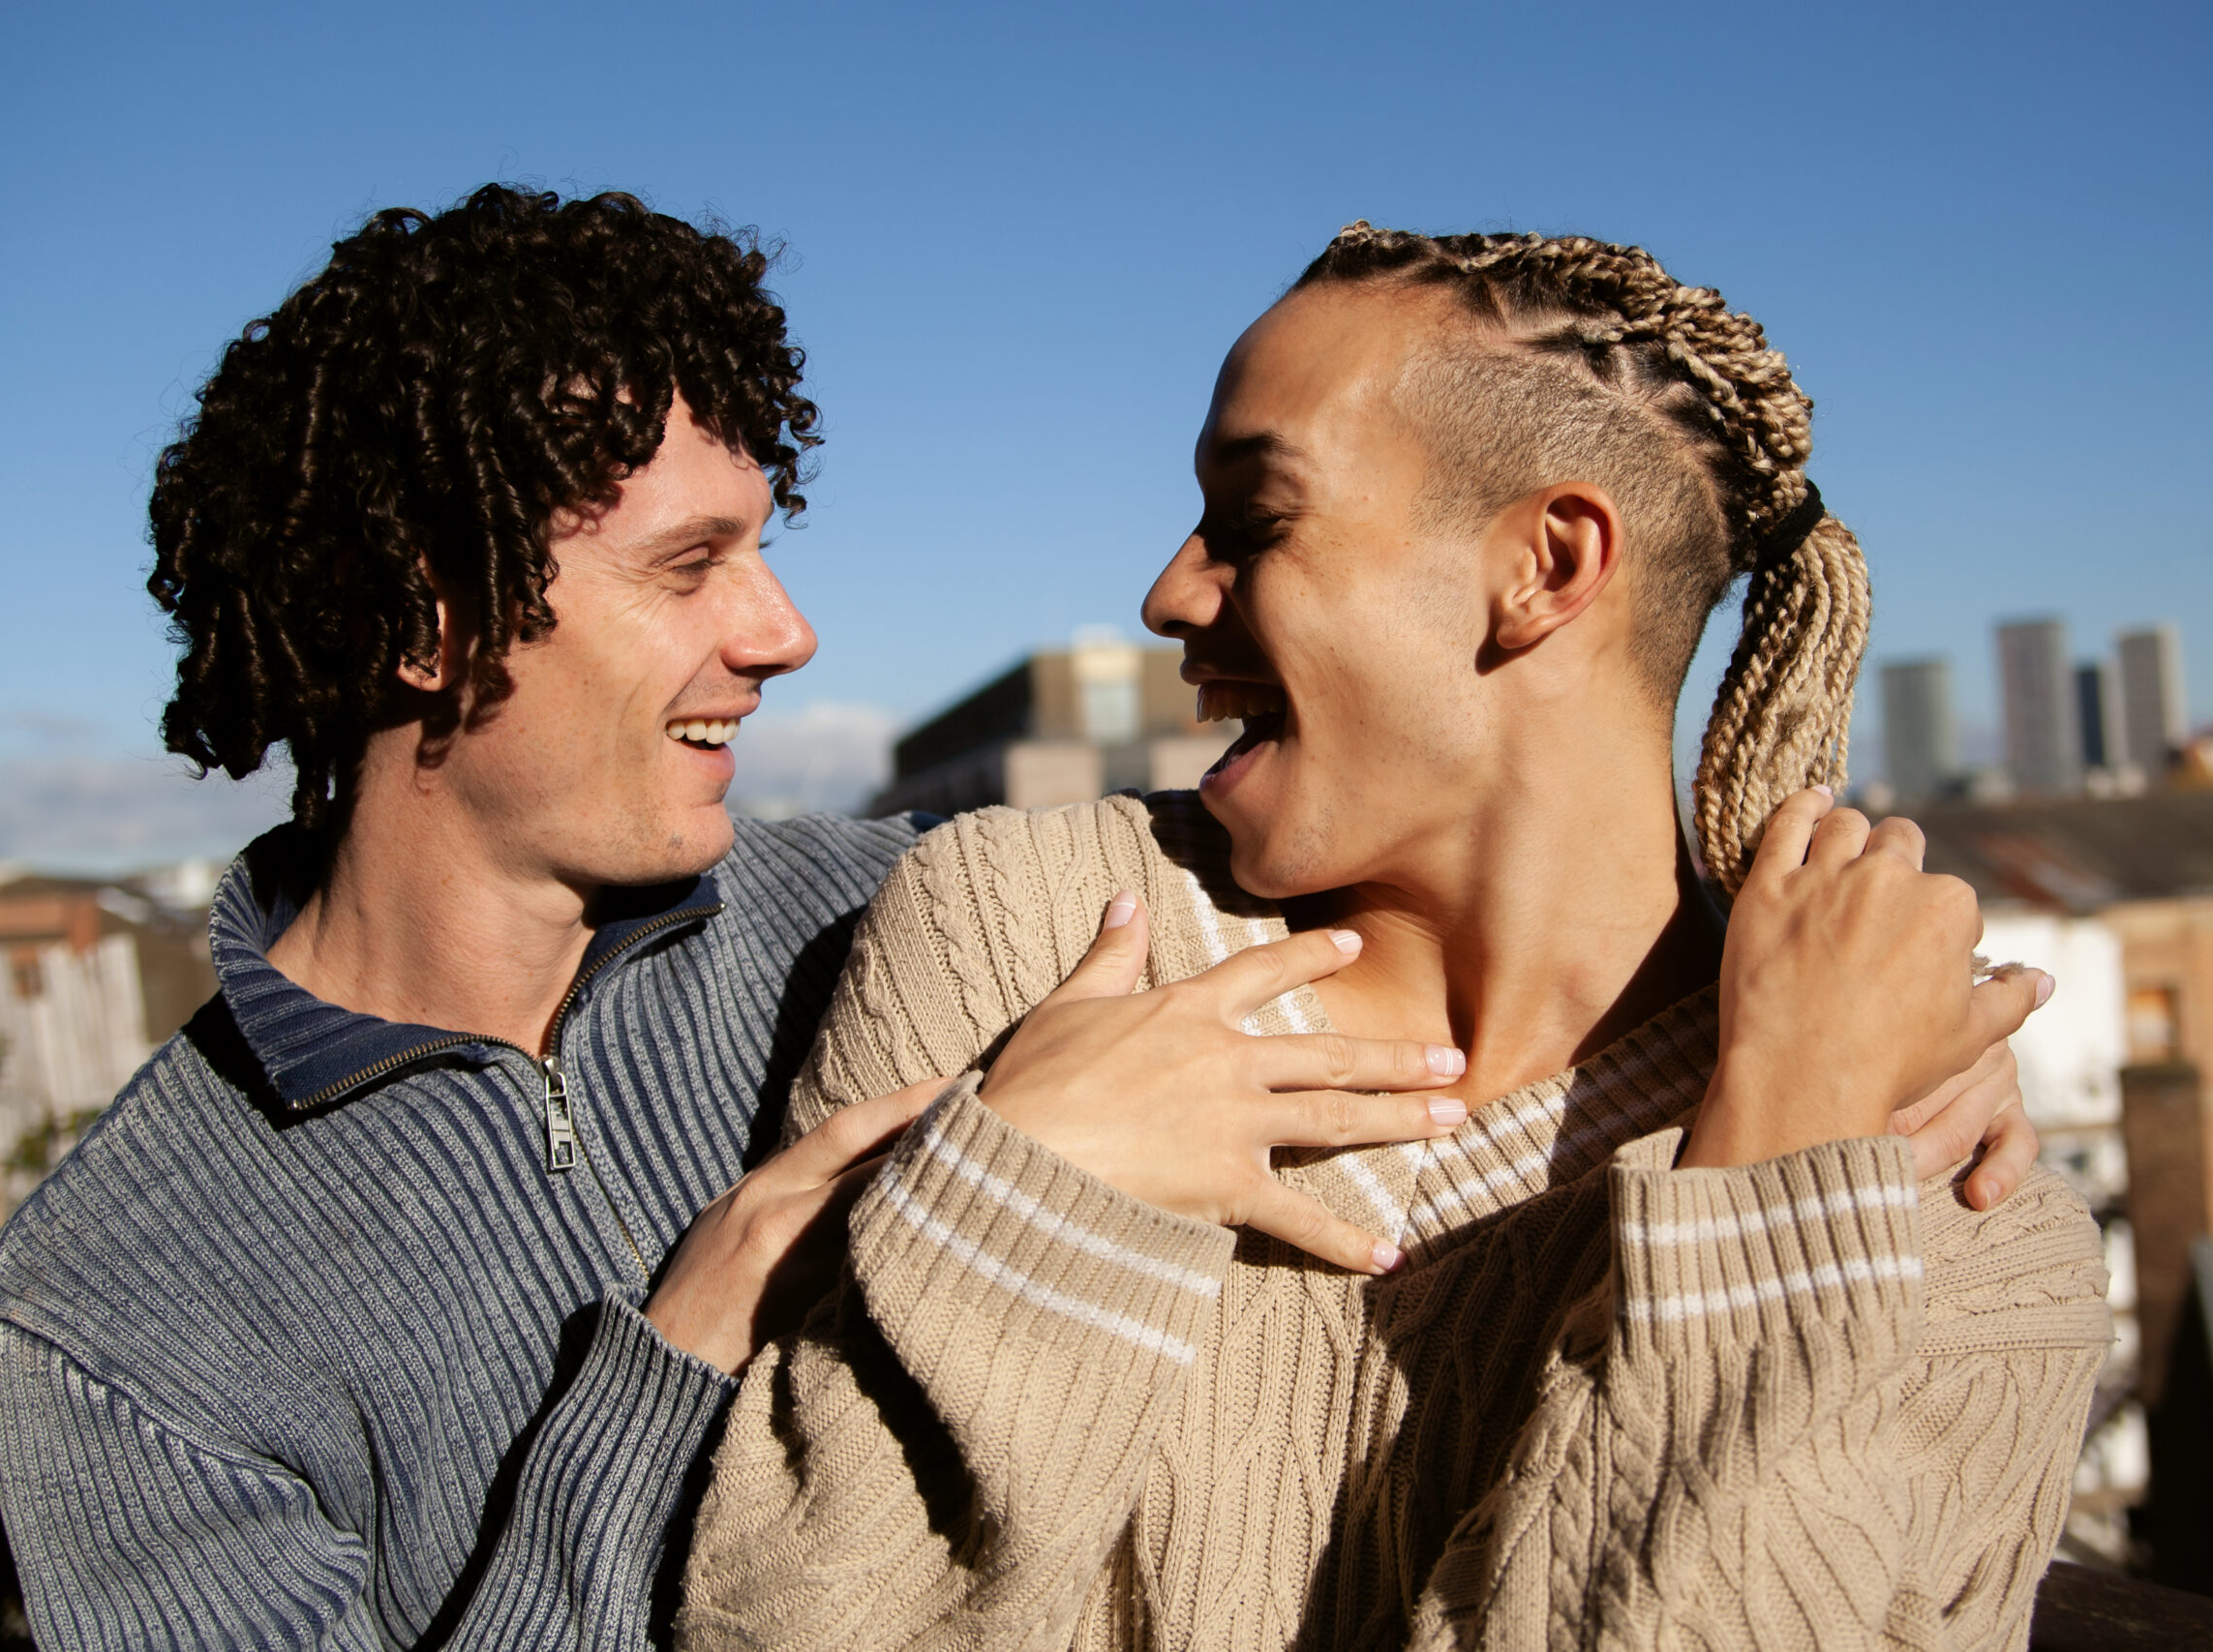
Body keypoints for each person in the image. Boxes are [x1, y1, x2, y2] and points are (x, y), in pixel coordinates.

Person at [0, 186, 1498, 1652]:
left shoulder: (924, 911)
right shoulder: (103, 1320)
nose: (785, 633)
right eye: (691, 565)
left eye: (762, 548)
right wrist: (675, 1365)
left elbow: (1439, 827)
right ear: (424, 621)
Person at [678, 227, 2107, 1650]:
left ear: (1546, 565)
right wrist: (1041, 1207)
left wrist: (1784, 1180)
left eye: (1254, 519)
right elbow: (781, 1622)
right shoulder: (1029, 927)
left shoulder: (1965, 1218)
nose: (1167, 595)